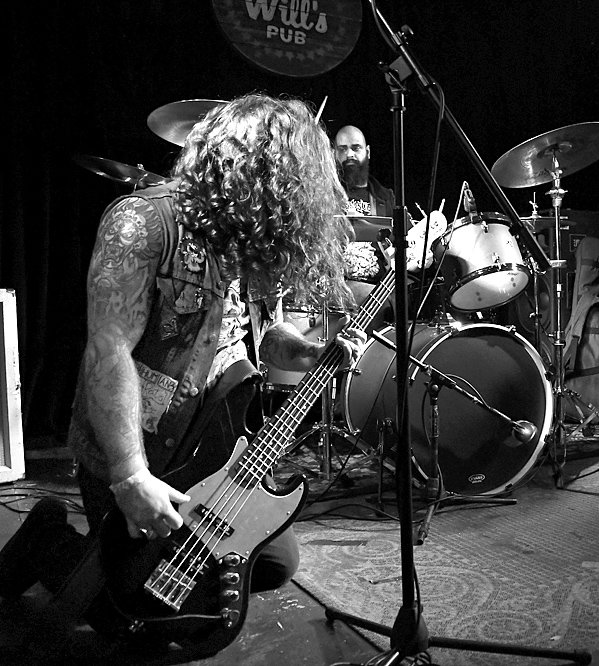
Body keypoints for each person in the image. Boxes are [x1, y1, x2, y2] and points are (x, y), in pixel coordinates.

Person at [0, 94, 366, 638]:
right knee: (132, 620)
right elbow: (108, 349)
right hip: (141, 445)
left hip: (212, 446)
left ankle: (108, 567)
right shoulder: (144, 221)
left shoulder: (250, 241)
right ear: (261, 176)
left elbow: (262, 339)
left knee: (271, 562)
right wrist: (130, 476)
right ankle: (46, 539)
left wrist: (309, 353)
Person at [334, 125, 397, 321]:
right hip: (335, 292)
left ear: (367, 151)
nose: (349, 154)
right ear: (333, 153)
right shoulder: (324, 195)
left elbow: (399, 246)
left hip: (378, 293)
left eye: (356, 148)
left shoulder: (385, 197)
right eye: (342, 149)